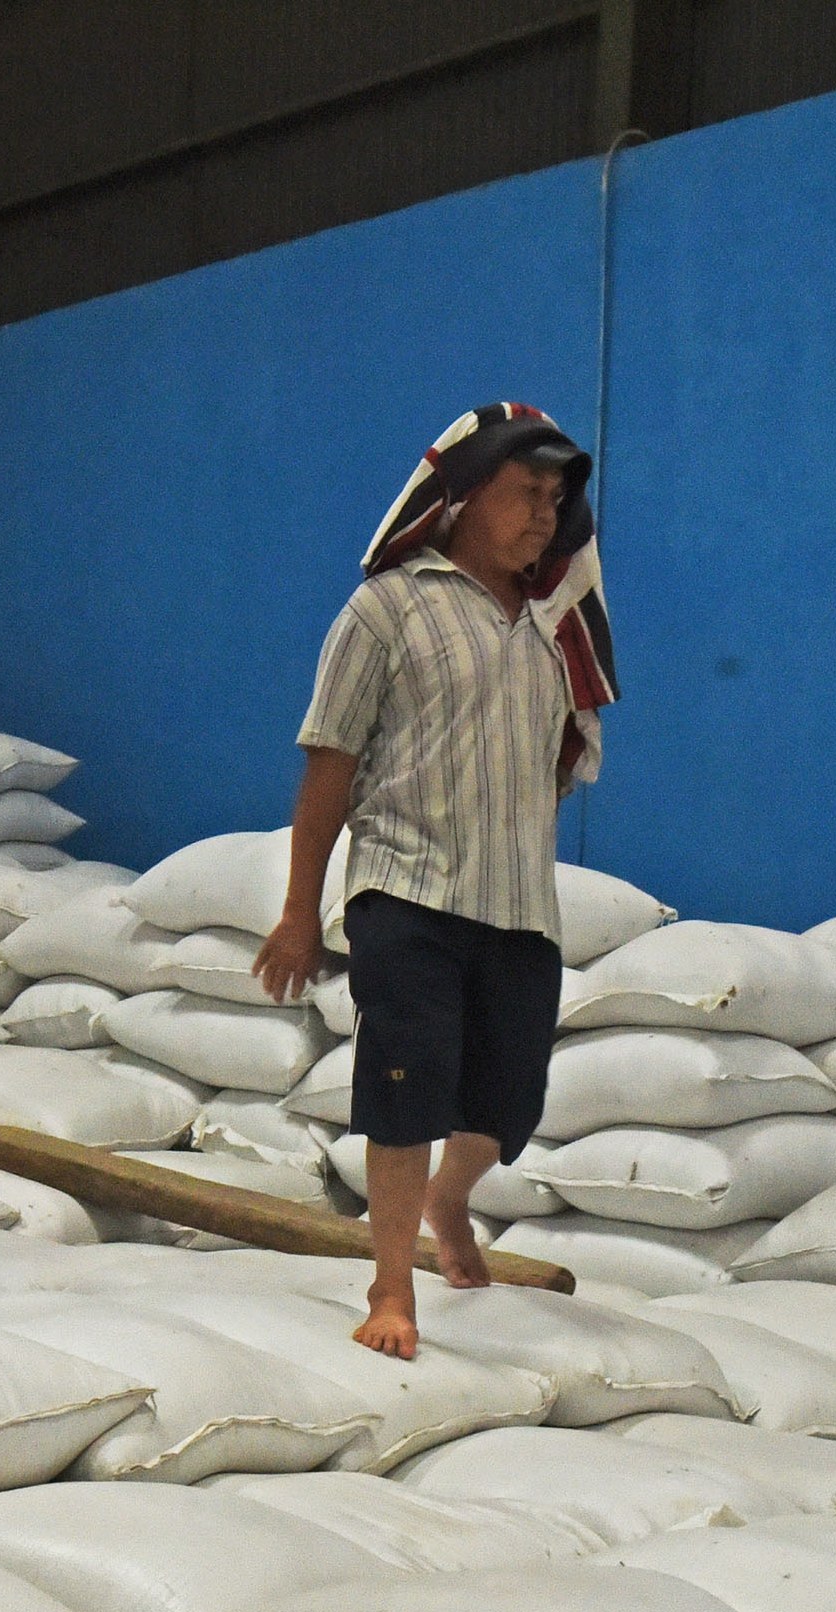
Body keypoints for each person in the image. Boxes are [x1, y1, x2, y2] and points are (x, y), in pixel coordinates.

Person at [260, 402, 618, 1358]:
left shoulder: (553, 628)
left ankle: (449, 1202)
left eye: (556, 499)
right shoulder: (388, 608)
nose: (545, 515)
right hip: (407, 888)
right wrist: (301, 912)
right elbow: (330, 762)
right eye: (524, 493)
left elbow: (554, 761)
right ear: (462, 499)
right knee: (406, 1082)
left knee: (510, 1105)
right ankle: (391, 1292)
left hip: (517, 905)